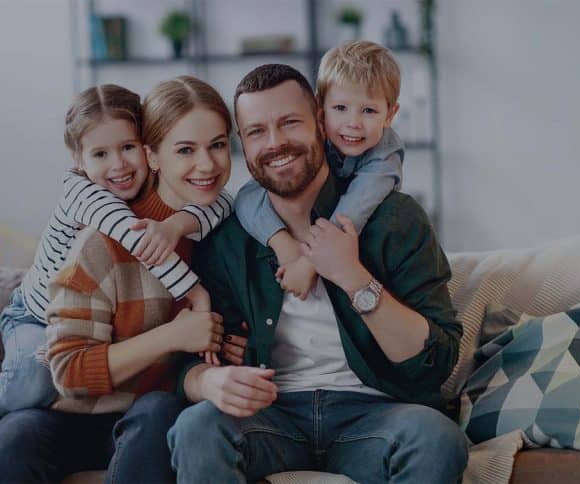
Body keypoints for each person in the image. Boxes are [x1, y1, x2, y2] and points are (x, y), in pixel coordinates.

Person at [167, 64, 469, 484]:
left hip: (378, 414)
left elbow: (437, 362)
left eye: (290, 123)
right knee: (196, 427)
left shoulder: (396, 220)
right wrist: (210, 380)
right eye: (256, 132)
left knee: (435, 436)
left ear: (322, 125)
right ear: (243, 144)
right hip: (271, 416)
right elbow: (189, 364)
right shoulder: (227, 238)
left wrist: (354, 278)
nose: (275, 143)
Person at [0, 83, 233, 457]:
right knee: (34, 379)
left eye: (128, 148)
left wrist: (178, 224)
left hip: (94, 330)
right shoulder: (84, 194)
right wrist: (195, 292)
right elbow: (137, 239)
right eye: (101, 153)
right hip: (32, 315)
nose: (118, 165)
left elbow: (222, 203)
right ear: (79, 159)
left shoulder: (161, 194)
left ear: (147, 150)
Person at [234, 41, 403, 300]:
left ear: (390, 115)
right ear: (321, 113)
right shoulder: (318, 138)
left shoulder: (384, 155)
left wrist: (309, 263)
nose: (353, 124)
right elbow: (247, 195)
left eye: (369, 110)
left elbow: (353, 211)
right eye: (340, 108)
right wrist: (283, 244)